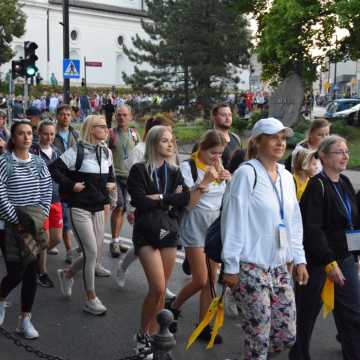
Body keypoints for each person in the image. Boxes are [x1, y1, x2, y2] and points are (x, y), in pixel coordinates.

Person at [221, 117, 309, 359]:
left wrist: (299, 259)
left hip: (280, 267)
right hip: (251, 266)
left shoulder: (285, 175)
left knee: (286, 335)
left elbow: (294, 221)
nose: (280, 143)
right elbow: (233, 221)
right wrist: (230, 265)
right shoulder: (246, 174)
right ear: (257, 142)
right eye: (273, 137)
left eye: (283, 138)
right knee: (258, 338)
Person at [289, 135, 360, 360]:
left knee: (352, 313)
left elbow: (354, 222)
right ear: (324, 156)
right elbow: (312, 230)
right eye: (339, 151)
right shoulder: (316, 185)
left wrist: (357, 254)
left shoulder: (346, 182)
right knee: (306, 315)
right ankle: (299, 355)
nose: (345, 155)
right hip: (318, 263)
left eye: (346, 151)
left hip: (345, 259)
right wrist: (329, 262)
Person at [127, 125, 192, 355]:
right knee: (157, 287)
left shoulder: (174, 171)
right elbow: (139, 201)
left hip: (167, 231)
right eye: (165, 140)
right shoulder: (139, 170)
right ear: (154, 143)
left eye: (171, 140)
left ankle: (154, 335)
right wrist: (167, 200)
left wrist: (161, 197)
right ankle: (142, 335)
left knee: (162, 291)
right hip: (146, 231)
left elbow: (184, 198)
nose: (170, 144)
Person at [166, 130, 230, 343]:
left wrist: (228, 182)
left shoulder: (218, 167)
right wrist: (205, 182)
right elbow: (189, 204)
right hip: (193, 227)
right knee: (200, 279)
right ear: (202, 148)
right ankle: (173, 307)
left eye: (220, 153)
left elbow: (223, 203)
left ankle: (204, 325)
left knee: (211, 281)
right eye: (213, 152)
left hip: (213, 230)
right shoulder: (188, 168)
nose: (217, 157)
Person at [50, 115, 115, 315]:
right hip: (79, 207)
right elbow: (53, 168)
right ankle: (91, 298)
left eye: (106, 126)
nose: (106, 129)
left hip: (99, 207)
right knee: (92, 253)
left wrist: (111, 184)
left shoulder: (106, 151)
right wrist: (72, 185)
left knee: (92, 253)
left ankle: (67, 274)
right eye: (102, 127)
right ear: (91, 129)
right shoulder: (76, 150)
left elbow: (110, 174)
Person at [0, 119, 52, 338]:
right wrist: (15, 218)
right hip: (8, 225)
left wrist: (40, 217)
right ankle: (1, 299)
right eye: (21, 133)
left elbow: (47, 190)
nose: (27, 137)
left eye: (30, 133)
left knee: (31, 271)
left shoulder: (39, 162)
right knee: (15, 272)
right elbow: (0, 192)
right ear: (13, 138)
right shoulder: (4, 162)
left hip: (33, 224)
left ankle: (25, 319)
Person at [113, 114, 176, 291]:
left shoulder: (168, 150)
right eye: (166, 134)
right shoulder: (140, 151)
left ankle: (162, 283)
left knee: (161, 241)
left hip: (164, 208)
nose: (170, 140)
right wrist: (132, 207)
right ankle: (124, 268)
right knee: (146, 242)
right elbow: (133, 179)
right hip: (144, 207)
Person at [30, 120, 63, 288]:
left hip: (56, 199)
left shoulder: (57, 152)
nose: (48, 137)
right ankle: (41, 272)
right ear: (39, 133)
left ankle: (31, 255)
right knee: (45, 238)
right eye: (45, 133)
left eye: (51, 134)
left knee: (56, 238)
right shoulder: (32, 152)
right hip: (39, 200)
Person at [109, 105, 140, 257]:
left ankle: (117, 239)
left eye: (124, 115)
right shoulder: (111, 134)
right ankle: (114, 242)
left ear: (130, 117)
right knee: (119, 207)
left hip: (131, 178)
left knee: (129, 210)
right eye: (119, 115)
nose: (121, 117)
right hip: (115, 177)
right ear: (115, 116)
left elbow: (139, 155)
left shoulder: (134, 135)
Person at [53, 105, 79, 264]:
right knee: (64, 215)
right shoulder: (52, 133)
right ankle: (69, 250)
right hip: (56, 176)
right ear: (57, 116)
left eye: (68, 115)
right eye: (62, 114)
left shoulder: (76, 134)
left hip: (72, 177)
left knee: (72, 214)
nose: (65, 117)